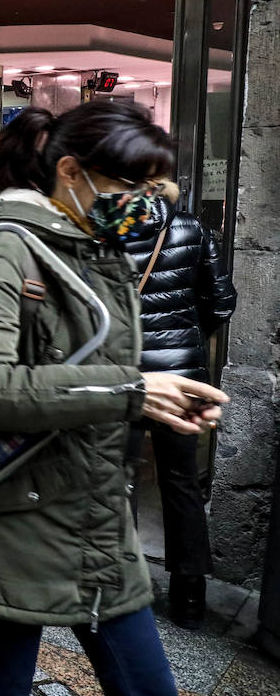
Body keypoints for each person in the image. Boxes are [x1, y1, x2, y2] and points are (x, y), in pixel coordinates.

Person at [0, 99, 229, 696]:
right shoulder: (9, 249)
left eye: (153, 187)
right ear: (71, 172)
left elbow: (93, 370)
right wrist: (129, 392)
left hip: (94, 515)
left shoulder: (93, 248)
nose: (144, 202)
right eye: (131, 186)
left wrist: (159, 398)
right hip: (14, 517)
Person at [124, 181, 236, 630]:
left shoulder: (112, 231)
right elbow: (221, 302)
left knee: (121, 478)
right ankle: (189, 597)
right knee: (182, 483)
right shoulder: (193, 229)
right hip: (184, 377)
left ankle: (124, 584)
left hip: (129, 375)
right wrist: (189, 340)